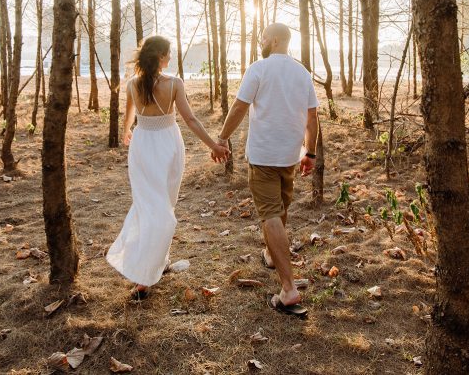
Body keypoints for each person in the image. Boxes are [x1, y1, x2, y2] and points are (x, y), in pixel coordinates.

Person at [106, 36, 230, 300]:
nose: (170, 58)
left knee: (150, 205)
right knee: (163, 207)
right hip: (168, 145)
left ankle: (158, 262)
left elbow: (128, 116)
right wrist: (214, 145)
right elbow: (191, 119)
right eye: (169, 54)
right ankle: (144, 276)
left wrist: (128, 131)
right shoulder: (174, 84)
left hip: (142, 145)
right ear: (161, 56)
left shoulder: (132, 84)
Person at [217, 23, 318, 319]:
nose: (260, 42)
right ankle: (271, 256)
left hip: (263, 155)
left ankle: (288, 290)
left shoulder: (259, 68)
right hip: (289, 156)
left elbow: (238, 107)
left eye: (262, 38)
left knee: (272, 214)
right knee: (279, 210)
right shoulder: (302, 72)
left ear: (273, 40)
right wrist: (309, 152)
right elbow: (312, 118)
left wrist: (222, 138)